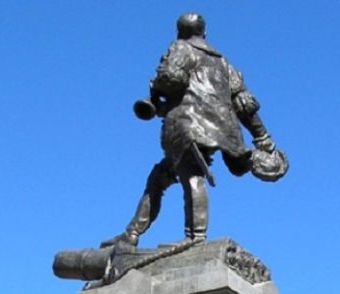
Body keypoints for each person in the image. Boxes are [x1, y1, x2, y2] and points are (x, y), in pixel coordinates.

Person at [101, 12, 284, 248]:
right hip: (221, 129)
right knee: (160, 176)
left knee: (191, 174)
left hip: (187, 124)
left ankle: (195, 239)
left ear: (180, 32)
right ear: (203, 33)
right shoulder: (222, 62)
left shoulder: (180, 47)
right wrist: (263, 137)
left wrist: (156, 84)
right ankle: (132, 233)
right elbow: (244, 103)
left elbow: (172, 77)